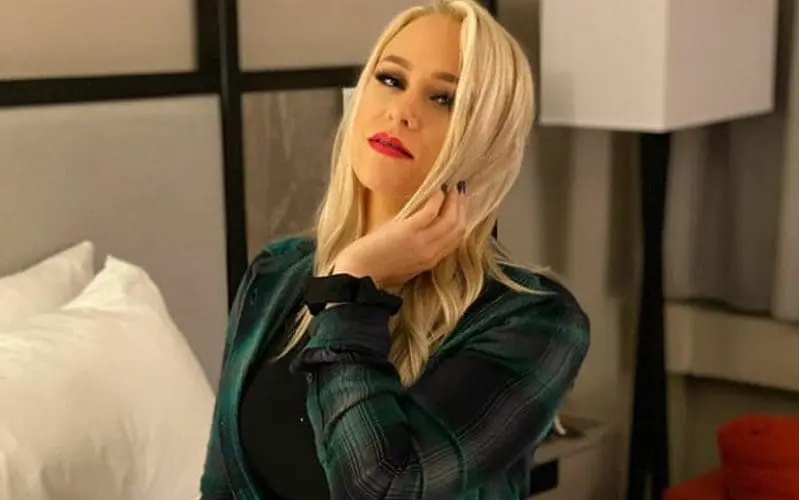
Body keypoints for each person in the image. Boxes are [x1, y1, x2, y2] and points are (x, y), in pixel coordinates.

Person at [199, 1, 590, 499]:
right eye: (390, 79)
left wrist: (353, 286)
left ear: (487, 142)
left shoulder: (535, 322)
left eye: (444, 99)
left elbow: (381, 487)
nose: (402, 111)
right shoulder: (275, 274)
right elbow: (220, 488)